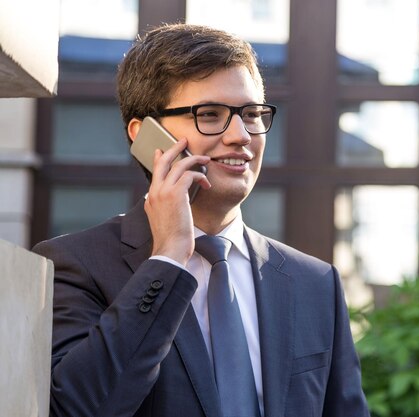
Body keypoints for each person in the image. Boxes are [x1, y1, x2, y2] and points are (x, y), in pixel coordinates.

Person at [33, 24, 369, 417]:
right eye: (210, 115)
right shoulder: (74, 265)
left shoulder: (315, 283)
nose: (241, 135)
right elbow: (78, 409)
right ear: (146, 136)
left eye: (252, 114)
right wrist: (168, 260)